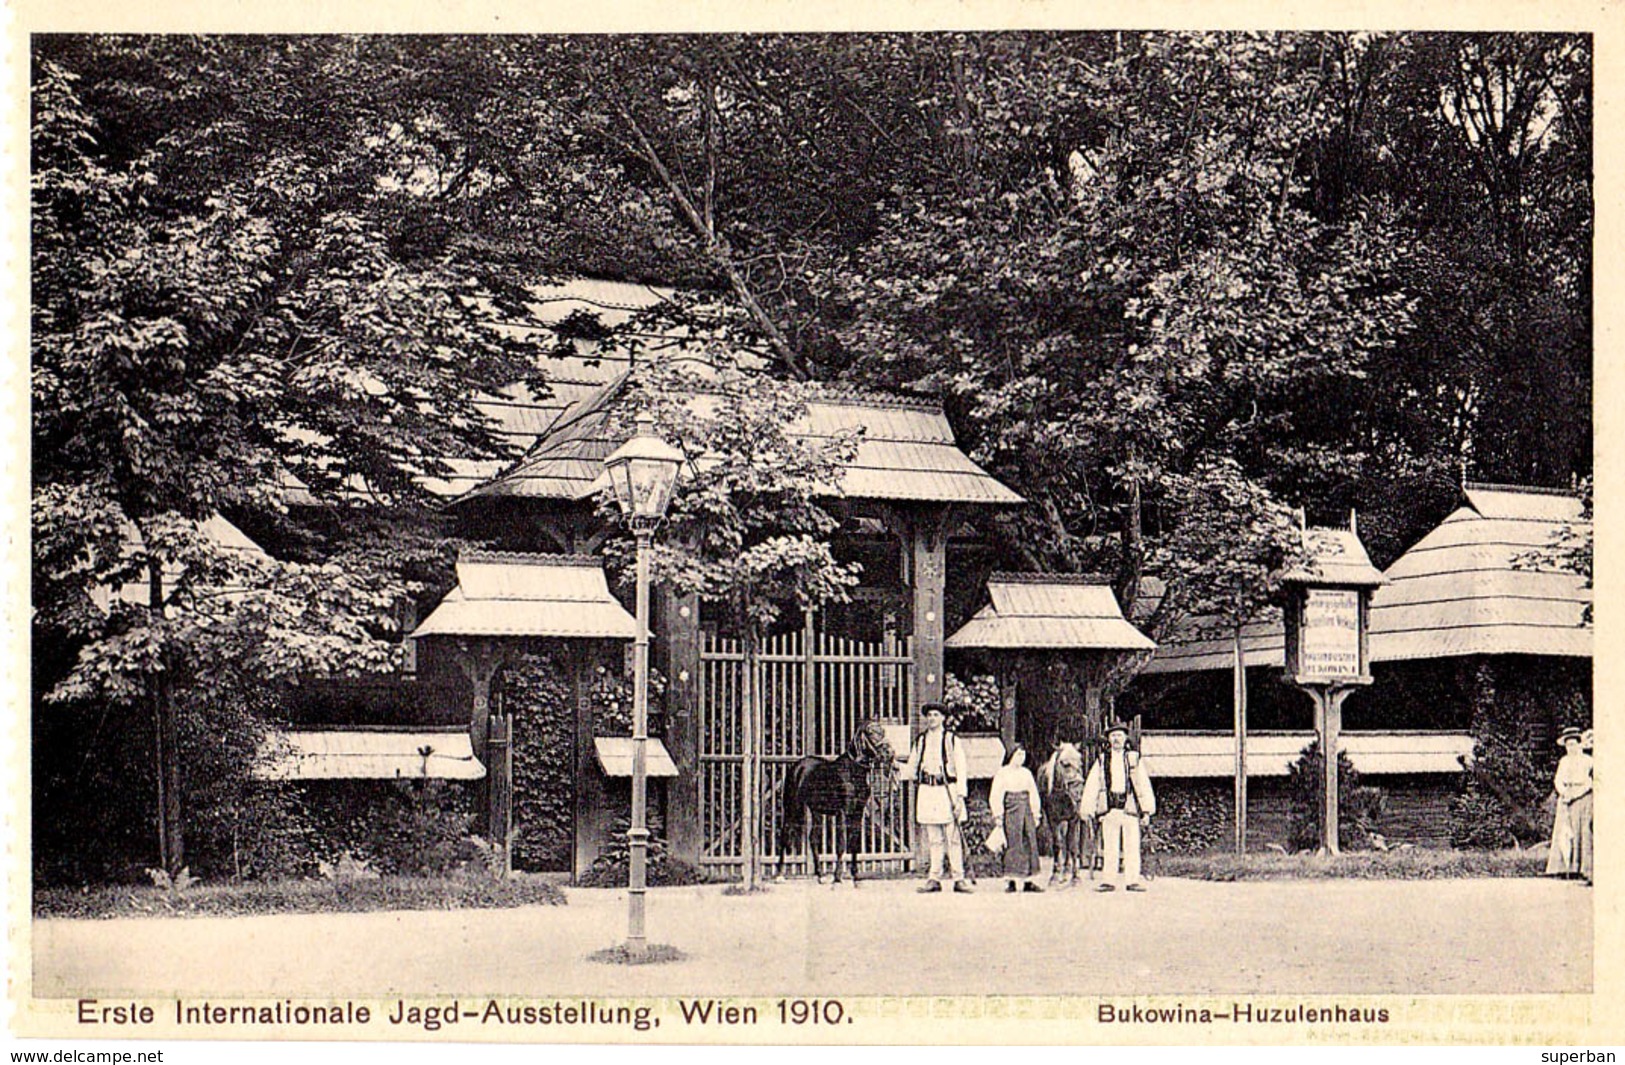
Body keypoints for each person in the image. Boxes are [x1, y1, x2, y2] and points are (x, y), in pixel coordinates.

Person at [901, 703, 972, 893]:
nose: (932, 718)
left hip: (948, 790)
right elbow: (911, 768)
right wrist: (893, 765)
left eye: (936, 715)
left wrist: (960, 797)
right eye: (929, 715)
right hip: (928, 791)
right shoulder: (921, 740)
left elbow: (961, 768)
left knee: (953, 838)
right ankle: (934, 878)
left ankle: (959, 878)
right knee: (934, 839)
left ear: (943, 718)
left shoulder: (951, 740)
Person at [1081, 721, 1155, 892]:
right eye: (1113, 736)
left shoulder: (1134, 759)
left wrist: (1146, 811)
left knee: (1132, 845)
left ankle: (1132, 880)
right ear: (1108, 739)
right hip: (1110, 808)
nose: (1116, 739)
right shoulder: (1102, 760)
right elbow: (1093, 784)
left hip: (1129, 807)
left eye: (1119, 736)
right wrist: (1088, 808)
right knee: (1110, 846)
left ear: (1125, 738)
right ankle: (1109, 880)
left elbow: (1143, 784)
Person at [989, 743, 1044, 893]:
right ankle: (1011, 880)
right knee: (1013, 844)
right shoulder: (1003, 773)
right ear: (1011, 756)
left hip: (1025, 811)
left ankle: (1028, 880)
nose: (1021, 758)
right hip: (1011, 811)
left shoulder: (1026, 773)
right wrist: (998, 815)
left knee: (1028, 842)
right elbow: (996, 795)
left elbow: (1033, 793)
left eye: (1023, 755)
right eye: (1018, 754)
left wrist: (1036, 813)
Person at [1547, 726, 1593, 883]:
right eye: (1568, 745)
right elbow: (1557, 779)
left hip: (1582, 797)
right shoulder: (1564, 761)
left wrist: (1576, 794)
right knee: (1564, 831)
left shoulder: (1588, 761)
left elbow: (1590, 782)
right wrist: (1564, 792)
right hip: (1566, 796)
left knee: (1581, 831)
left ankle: (1581, 868)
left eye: (1573, 744)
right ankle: (1562, 867)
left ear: (1579, 744)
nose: (1571, 748)